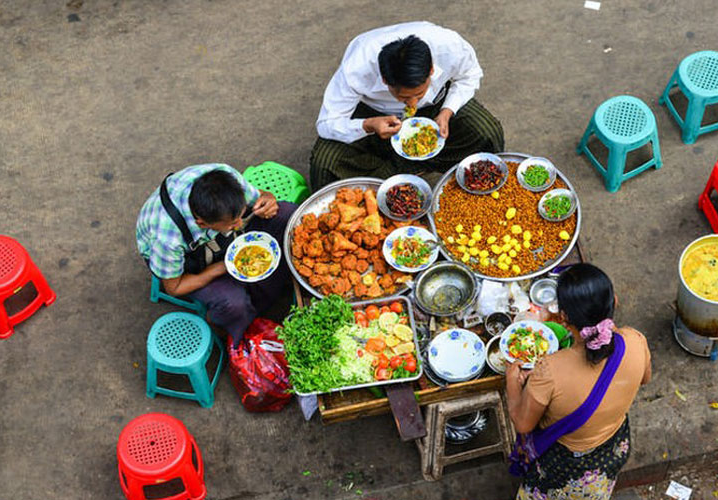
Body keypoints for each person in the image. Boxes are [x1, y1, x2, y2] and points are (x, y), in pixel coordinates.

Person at [506, 264, 652, 499]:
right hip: (612, 450)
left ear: (563, 318)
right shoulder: (635, 340)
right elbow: (644, 378)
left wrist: (512, 382)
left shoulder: (549, 369)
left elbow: (523, 424)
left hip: (565, 466)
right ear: (614, 301)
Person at [310, 21, 504, 190]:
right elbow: (327, 123)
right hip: (374, 113)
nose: (412, 104)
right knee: (325, 163)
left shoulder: (449, 46)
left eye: (418, 94)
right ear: (385, 81)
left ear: (431, 70)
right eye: (403, 98)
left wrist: (447, 112)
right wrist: (368, 125)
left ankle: (409, 169)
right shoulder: (357, 66)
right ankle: (393, 174)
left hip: (437, 104)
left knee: (486, 132)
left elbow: (469, 76)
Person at [136, 164, 296, 342]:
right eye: (232, 224)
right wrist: (221, 268)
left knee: (288, 215)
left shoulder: (224, 178)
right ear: (203, 224)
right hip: (186, 264)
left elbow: (259, 197)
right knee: (233, 303)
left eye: (240, 217)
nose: (240, 226)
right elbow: (174, 287)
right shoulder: (168, 239)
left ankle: (266, 292)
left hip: (215, 231)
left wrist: (268, 199)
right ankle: (222, 325)